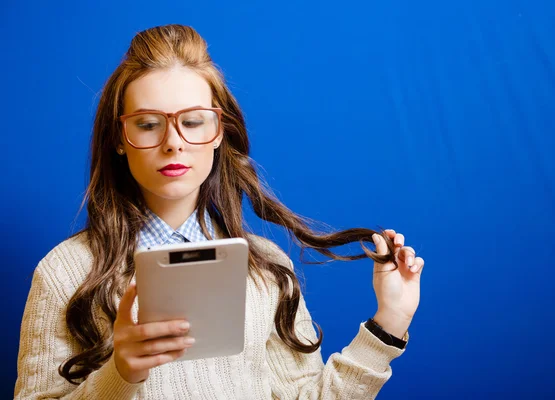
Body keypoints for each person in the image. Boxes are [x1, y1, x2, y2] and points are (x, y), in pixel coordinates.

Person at [14, 24, 425, 399]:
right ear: (119, 138)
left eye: (193, 121)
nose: (173, 142)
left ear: (218, 132)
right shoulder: (63, 274)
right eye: (147, 123)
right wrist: (119, 373)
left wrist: (388, 320)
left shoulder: (265, 269)